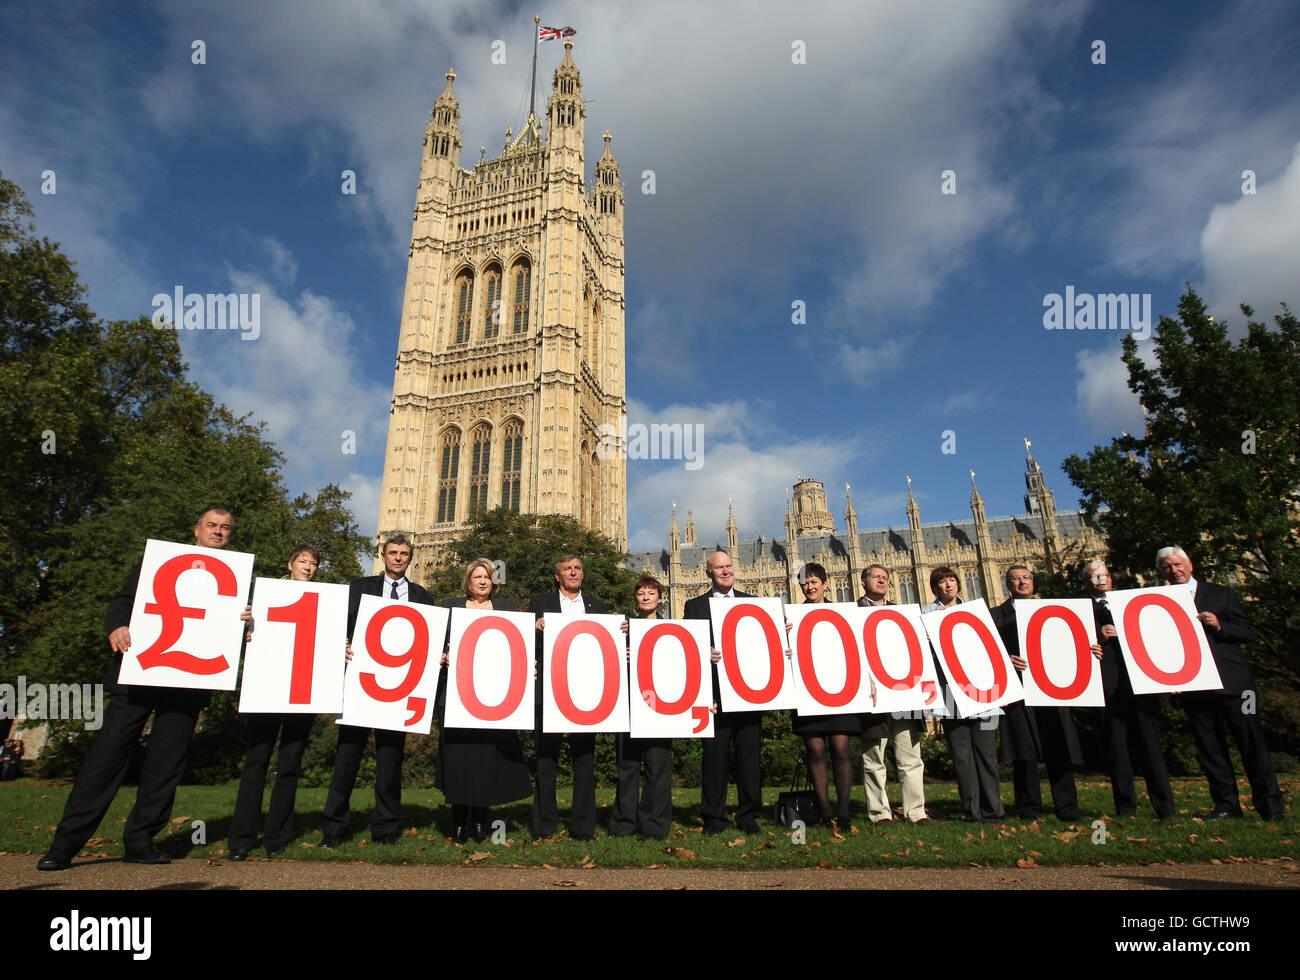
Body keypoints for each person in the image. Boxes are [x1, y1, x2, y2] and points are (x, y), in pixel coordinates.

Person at [38, 508, 245, 871]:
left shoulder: (237, 576)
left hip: (187, 682)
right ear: (196, 529)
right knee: (105, 759)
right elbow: (123, 601)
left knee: (165, 766)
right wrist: (117, 626)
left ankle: (140, 841)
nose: (218, 532)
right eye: (211, 525)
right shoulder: (158, 560)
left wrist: (244, 618)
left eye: (225, 528)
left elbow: (232, 629)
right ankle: (64, 845)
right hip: (140, 670)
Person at [319, 533, 436, 847]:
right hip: (361, 684)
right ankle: (333, 830)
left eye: (404, 554)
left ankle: (385, 830)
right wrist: (340, 644)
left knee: (390, 762)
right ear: (383, 555)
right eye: (393, 552)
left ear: (411, 558)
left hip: (399, 690)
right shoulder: (359, 588)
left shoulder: (422, 596)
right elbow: (336, 625)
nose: (398, 558)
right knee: (347, 759)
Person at [1156, 546, 1284, 820]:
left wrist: (1220, 626)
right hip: (1196, 686)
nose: (1174, 570)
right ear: (1161, 572)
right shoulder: (1158, 604)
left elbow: (1249, 632)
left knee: (1253, 745)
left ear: (1189, 565)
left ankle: (1270, 807)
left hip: (1238, 687)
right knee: (1210, 750)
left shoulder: (1220, 594)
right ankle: (1226, 805)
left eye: (1177, 564)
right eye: (1167, 567)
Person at [228, 545, 324, 860]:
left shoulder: (325, 601)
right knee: (256, 761)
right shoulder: (267, 594)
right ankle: (241, 838)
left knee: (290, 765)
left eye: (312, 563)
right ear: (290, 563)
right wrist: (245, 624)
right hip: (268, 686)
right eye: (302, 561)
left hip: (302, 688)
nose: (307, 567)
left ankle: (276, 837)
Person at [435, 558, 531, 844]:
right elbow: (433, 643)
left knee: (486, 759)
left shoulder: (507, 609)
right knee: (459, 759)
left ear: (493, 581)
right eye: (477, 577)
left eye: (487, 577)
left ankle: (479, 821)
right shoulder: (450, 608)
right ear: (468, 581)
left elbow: (518, 648)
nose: (482, 581)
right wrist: (442, 656)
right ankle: (458, 821)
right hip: (456, 695)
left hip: (493, 698)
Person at [528, 554, 610, 840]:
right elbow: (523, 642)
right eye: (567, 569)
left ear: (582, 575)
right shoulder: (540, 604)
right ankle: (544, 825)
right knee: (545, 761)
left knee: (585, 760)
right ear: (558, 576)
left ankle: (584, 826)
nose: (573, 573)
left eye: (577, 569)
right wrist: (534, 628)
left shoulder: (598, 608)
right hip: (549, 689)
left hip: (585, 691)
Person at [1084, 560, 1174, 819]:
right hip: (1107, 686)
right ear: (1085, 582)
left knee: (1151, 747)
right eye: (1093, 576)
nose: (1100, 580)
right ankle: (1125, 808)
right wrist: (1096, 636)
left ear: (1112, 578)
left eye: (1104, 575)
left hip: (1141, 683)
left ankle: (1165, 807)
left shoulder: (1135, 603)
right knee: (1117, 749)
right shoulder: (1079, 610)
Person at [992, 565, 1082, 821]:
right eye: (1016, 579)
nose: (1022, 582)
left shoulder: (1054, 610)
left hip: (1052, 687)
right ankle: (1028, 808)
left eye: (1026, 577)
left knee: (1058, 748)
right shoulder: (997, 615)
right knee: (1023, 753)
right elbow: (988, 652)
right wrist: (1006, 659)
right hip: (1018, 690)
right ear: (1007, 584)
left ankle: (1067, 808)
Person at [685, 550, 764, 837]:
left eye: (729, 565)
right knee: (714, 761)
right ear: (709, 573)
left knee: (749, 759)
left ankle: (749, 815)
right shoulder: (694, 606)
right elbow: (688, 647)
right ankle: (713, 818)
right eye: (719, 567)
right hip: (715, 696)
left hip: (748, 694)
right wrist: (703, 652)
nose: (725, 571)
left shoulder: (752, 603)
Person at [923, 566, 1004, 824]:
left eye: (952, 580)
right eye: (942, 582)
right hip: (950, 694)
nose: (948, 586)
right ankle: (972, 811)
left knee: (987, 755)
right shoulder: (927, 614)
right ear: (934, 587)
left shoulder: (976, 611)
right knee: (961, 756)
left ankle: (994, 810)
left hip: (982, 692)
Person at [788, 562, 860, 832]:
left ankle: (843, 812)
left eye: (815, 581)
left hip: (840, 690)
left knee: (841, 749)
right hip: (809, 691)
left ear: (826, 584)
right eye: (805, 583)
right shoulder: (792, 618)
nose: (810, 587)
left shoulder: (842, 613)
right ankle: (824, 811)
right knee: (815, 751)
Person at [858, 565, 929, 825]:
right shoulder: (852, 614)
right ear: (863, 582)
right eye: (876, 577)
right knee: (874, 756)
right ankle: (879, 813)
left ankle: (916, 811)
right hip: (872, 696)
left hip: (903, 692)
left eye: (885, 578)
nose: (882, 581)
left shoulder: (902, 613)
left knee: (910, 755)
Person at [608, 575, 674, 840]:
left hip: (660, 706)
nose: (646, 597)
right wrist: (621, 653)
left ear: (660, 598)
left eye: (651, 593)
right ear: (635, 599)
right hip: (630, 704)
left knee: (658, 766)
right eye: (641, 593)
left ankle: (655, 825)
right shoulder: (624, 628)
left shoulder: (671, 629)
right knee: (628, 766)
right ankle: (624, 823)